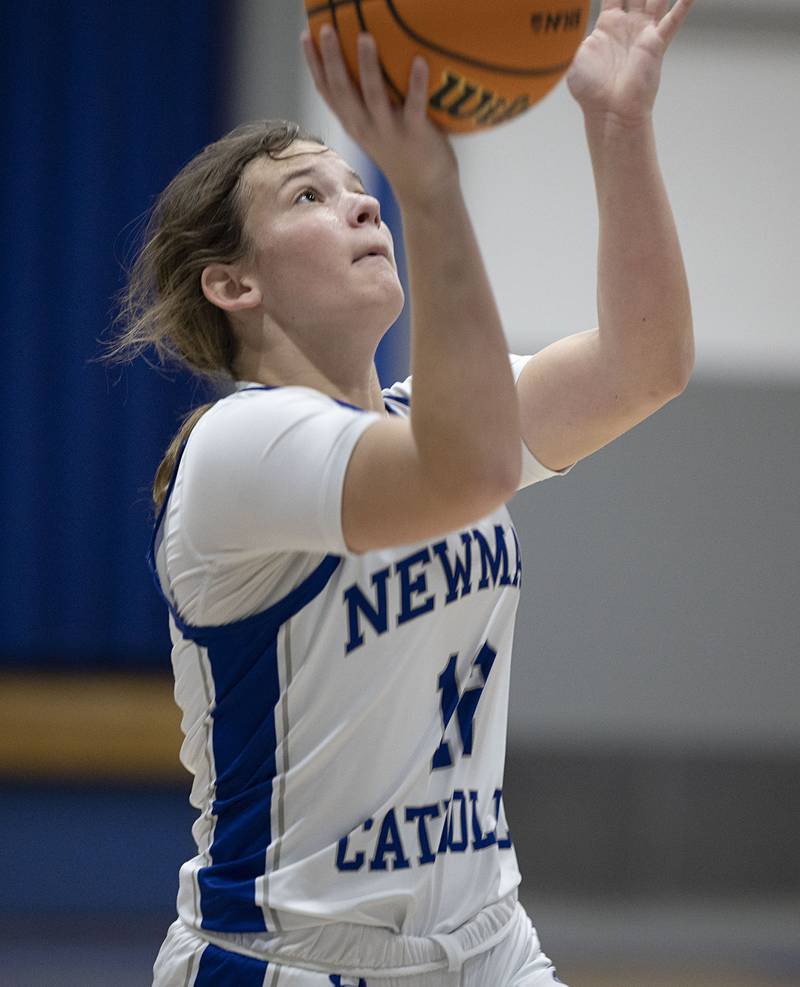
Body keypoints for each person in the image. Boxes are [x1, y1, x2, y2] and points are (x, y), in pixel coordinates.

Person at [114, 1, 695, 983]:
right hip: (293, 960)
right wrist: (428, 190)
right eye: (307, 196)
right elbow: (464, 473)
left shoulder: (418, 412)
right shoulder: (237, 448)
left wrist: (617, 125)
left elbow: (644, 368)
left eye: (360, 186)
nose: (361, 203)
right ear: (232, 285)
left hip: (486, 941)